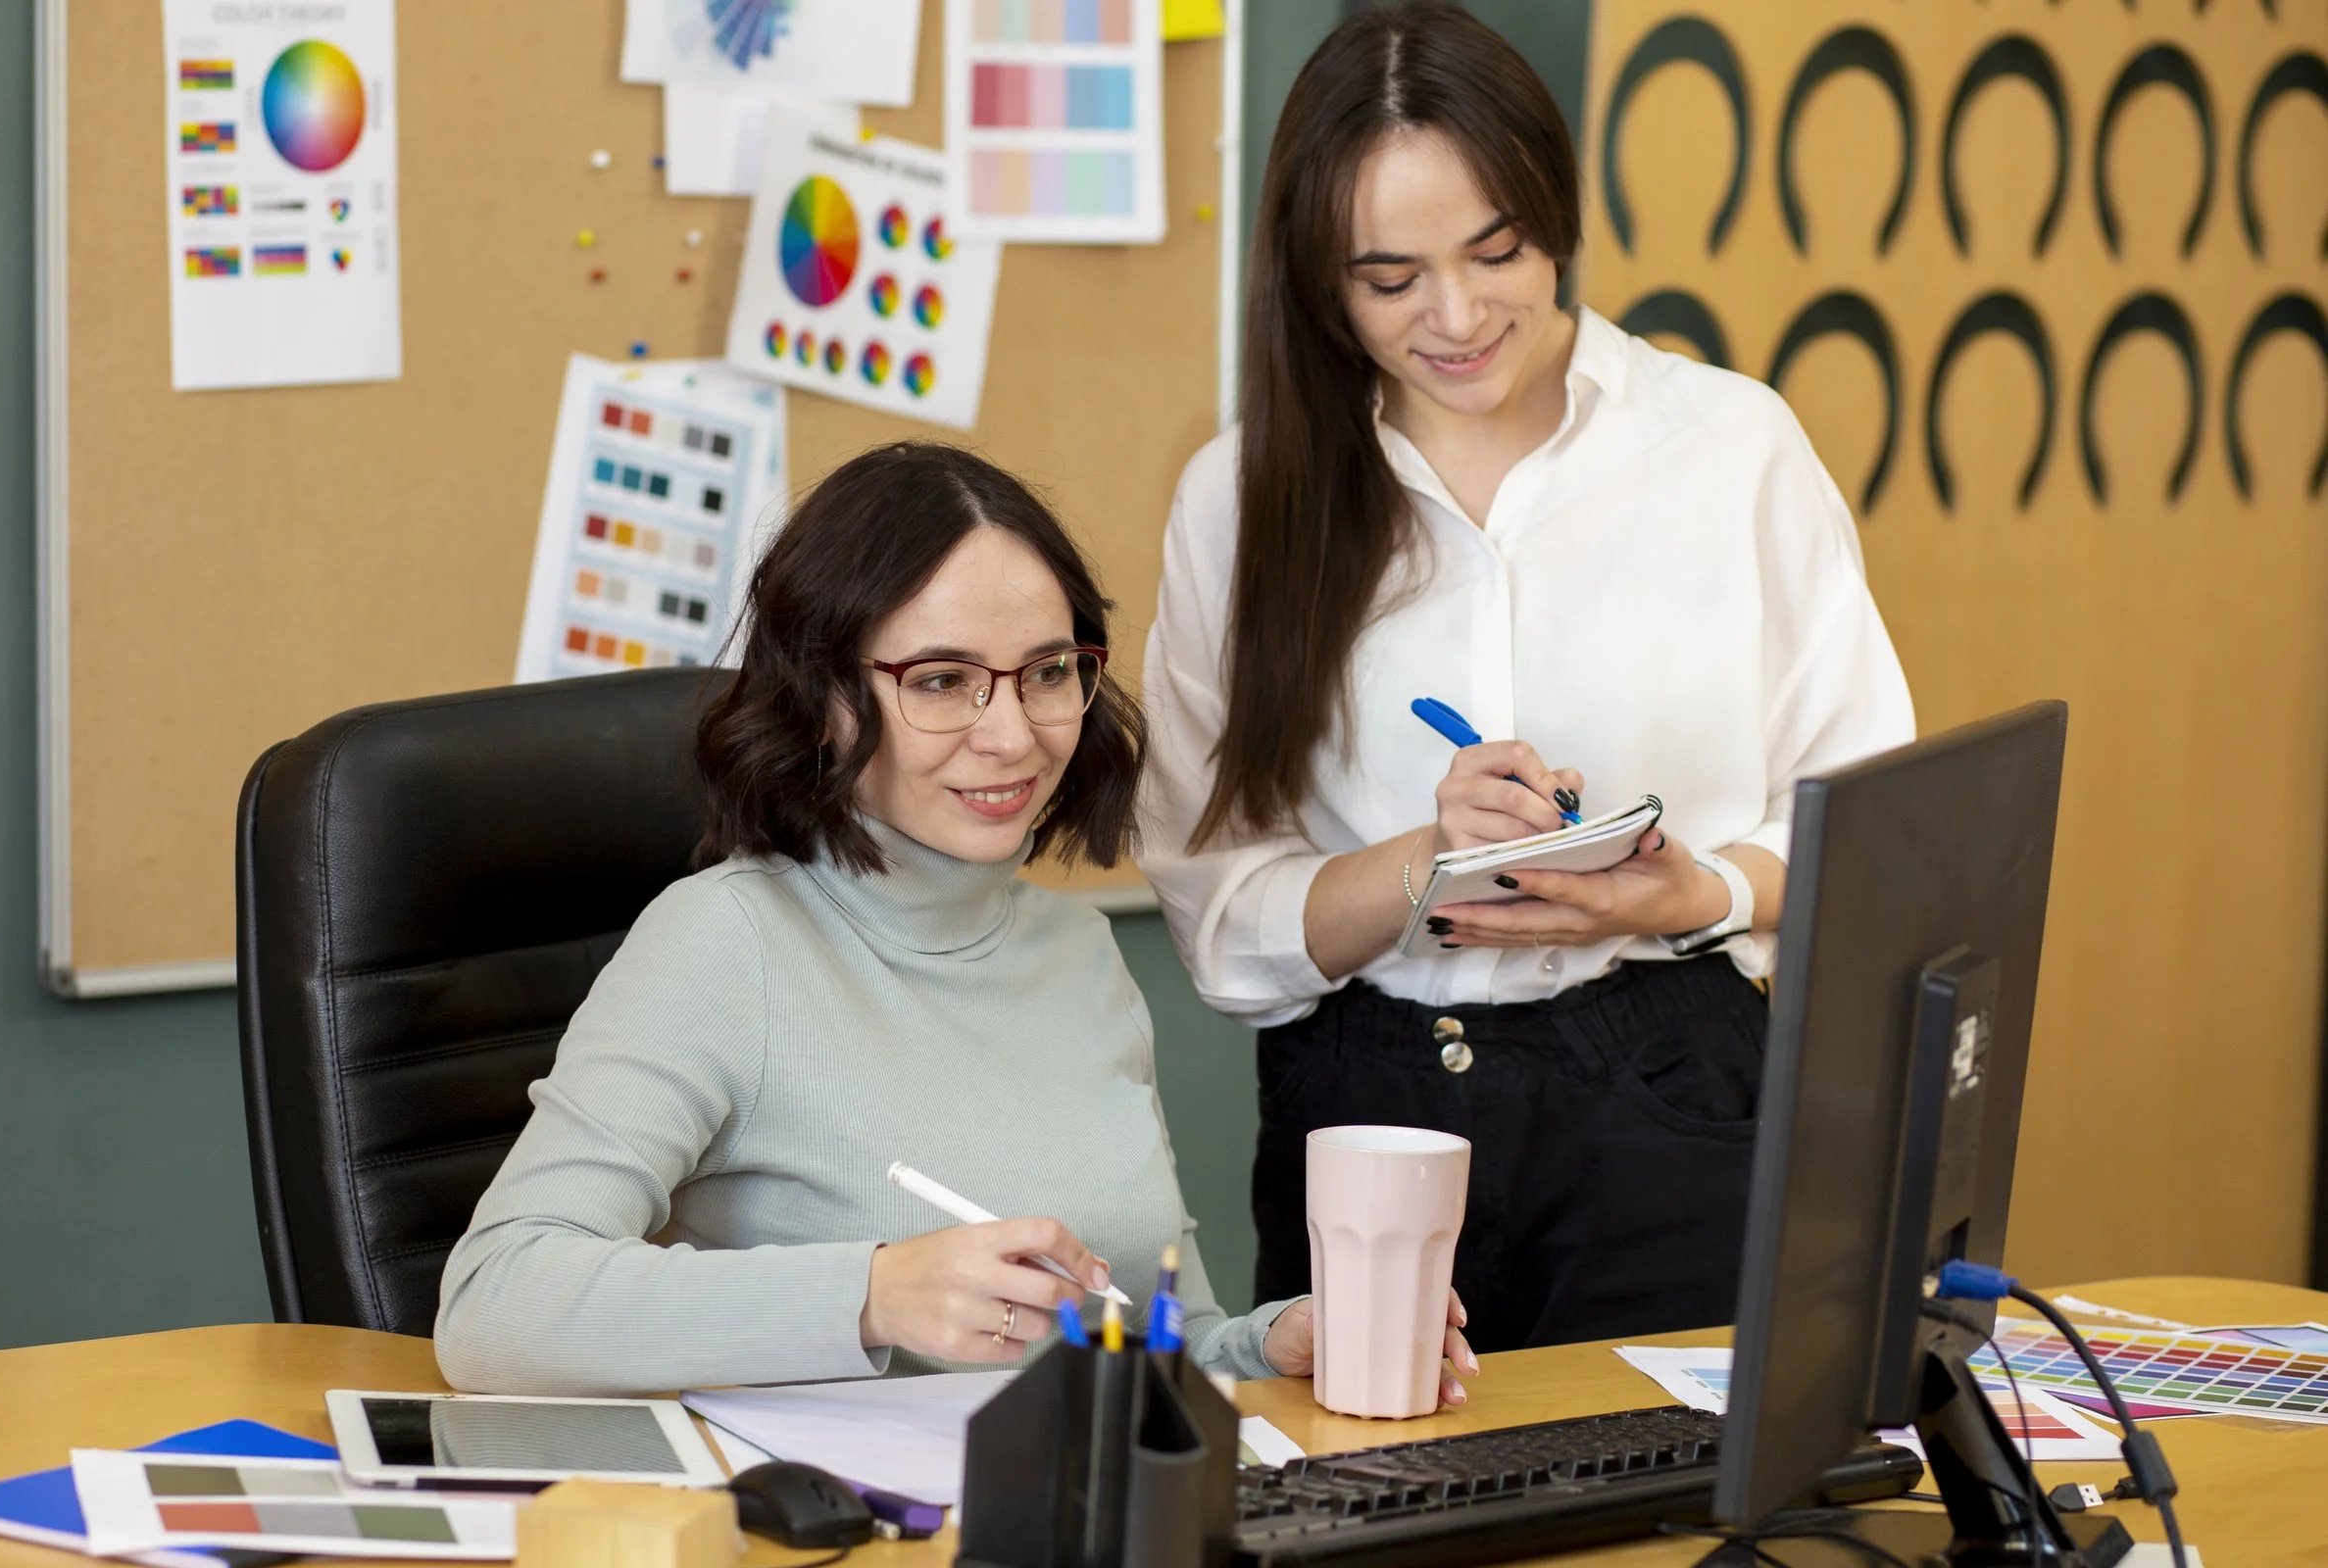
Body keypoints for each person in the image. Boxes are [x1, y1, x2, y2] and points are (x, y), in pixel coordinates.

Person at [1138, 3, 1915, 1355]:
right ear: (1318, 279)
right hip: (1365, 1106)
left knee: (1674, 1480)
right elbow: (1217, 910)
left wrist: (1698, 890)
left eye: (1496, 252)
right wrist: (1426, 862)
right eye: (1390, 279)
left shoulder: (1730, 447)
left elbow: (1870, 820)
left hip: (1668, 1087)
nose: (1456, 316)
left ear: (1554, 215)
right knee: (1365, 1475)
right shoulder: (1243, 498)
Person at [435, 441, 1477, 1399]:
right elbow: (493, 1301)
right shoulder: (725, 944)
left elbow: (1156, 1337)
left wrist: (1267, 1344)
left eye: (1047, 672)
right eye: (941, 681)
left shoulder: (1079, 955)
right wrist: (873, 1294)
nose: (1012, 734)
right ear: (822, 697)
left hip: (1069, 1515)